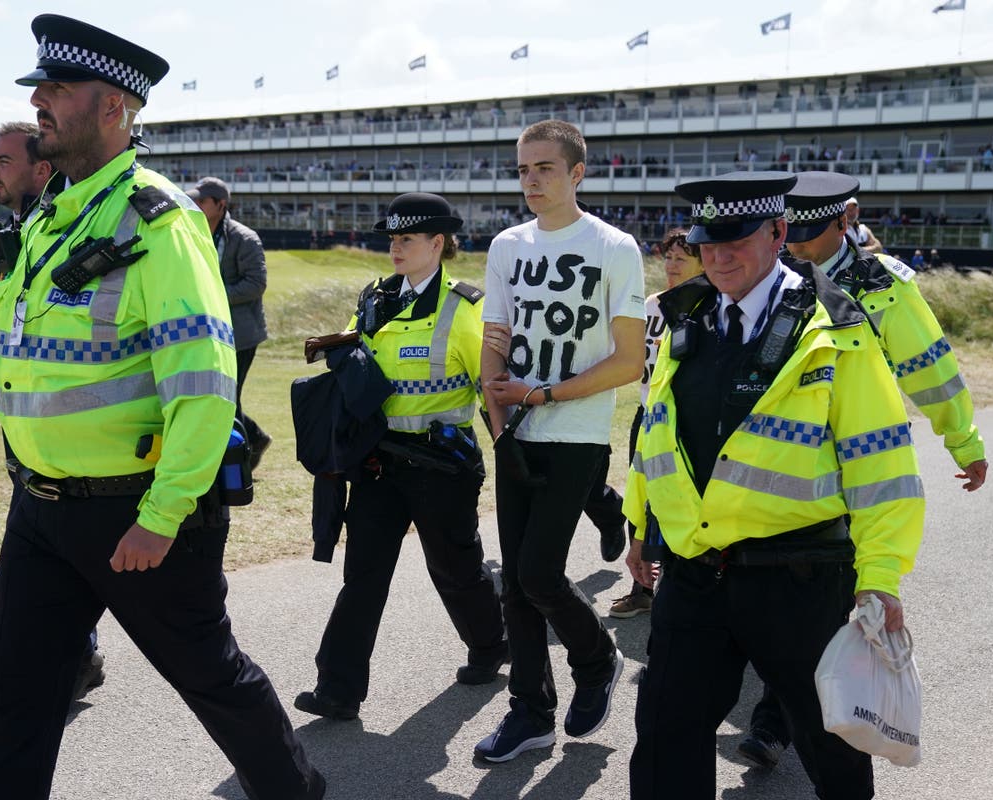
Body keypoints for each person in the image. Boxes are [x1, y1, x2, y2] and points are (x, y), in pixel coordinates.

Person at [0, 15, 324, 799]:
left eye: (59, 90)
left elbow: (203, 382)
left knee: (214, 682)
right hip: (39, 510)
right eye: (40, 90)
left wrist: (162, 515)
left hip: (135, 512)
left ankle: (297, 792)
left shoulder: (157, 221)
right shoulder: (53, 216)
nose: (41, 105)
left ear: (115, 108)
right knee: (16, 705)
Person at [624, 171, 924, 799]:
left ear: (778, 232)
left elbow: (881, 463)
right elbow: (657, 435)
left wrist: (881, 575)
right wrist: (640, 526)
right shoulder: (685, 316)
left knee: (831, 746)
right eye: (708, 243)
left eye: (735, 241)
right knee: (663, 736)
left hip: (799, 577)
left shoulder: (837, 328)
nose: (718, 257)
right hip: (693, 570)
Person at [729, 170, 988, 771]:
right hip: (782, 460)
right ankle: (784, 707)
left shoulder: (884, 286)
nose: (797, 243)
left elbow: (930, 364)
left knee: (822, 594)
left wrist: (963, 439)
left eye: (812, 232)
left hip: (858, 463)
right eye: (791, 230)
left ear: (846, 218)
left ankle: (775, 721)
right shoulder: (775, 276)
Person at [293, 192, 507, 721]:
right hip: (380, 464)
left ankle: (489, 644)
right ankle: (338, 689)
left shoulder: (466, 307)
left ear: (438, 243)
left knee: (455, 569)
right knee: (363, 575)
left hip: (443, 465)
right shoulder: (373, 298)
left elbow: (489, 387)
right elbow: (357, 362)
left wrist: (512, 452)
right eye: (391, 238)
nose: (395, 248)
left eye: (406, 238)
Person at [474, 119, 645, 763]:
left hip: (575, 433)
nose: (531, 181)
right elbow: (496, 338)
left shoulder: (615, 247)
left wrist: (543, 396)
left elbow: (628, 360)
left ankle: (595, 658)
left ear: (577, 173)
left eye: (545, 169)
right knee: (513, 586)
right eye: (522, 170)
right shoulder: (505, 246)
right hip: (514, 430)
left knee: (538, 572)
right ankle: (529, 713)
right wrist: (501, 423)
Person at [0, 121, 107, 704]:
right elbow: (1, 333)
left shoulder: (68, 232)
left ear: (41, 170)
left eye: (3, 160)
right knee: (48, 554)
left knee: (60, 560)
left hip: (74, 433)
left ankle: (58, 665)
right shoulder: (11, 238)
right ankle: (72, 658)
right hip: (24, 428)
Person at [608, 227, 703, 620]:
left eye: (682, 257)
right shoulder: (651, 305)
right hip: (646, 416)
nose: (671, 264)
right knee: (640, 503)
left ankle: (685, 587)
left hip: (688, 424)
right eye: (667, 256)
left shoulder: (707, 306)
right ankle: (642, 586)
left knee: (680, 505)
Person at [186, 176, 272, 469]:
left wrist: (213, 293)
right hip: (208, 331)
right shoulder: (193, 232)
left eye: (201, 201)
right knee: (219, 395)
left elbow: (256, 284)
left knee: (227, 398)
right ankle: (254, 440)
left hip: (242, 334)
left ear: (220, 205)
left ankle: (240, 457)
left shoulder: (244, 238)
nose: (194, 205)